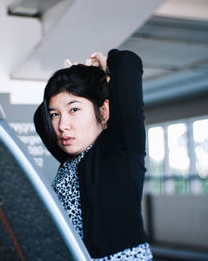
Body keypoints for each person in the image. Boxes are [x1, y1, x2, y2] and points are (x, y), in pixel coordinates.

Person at [34, 49, 152, 260]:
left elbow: (128, 63)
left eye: (74, 110)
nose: (62, 125)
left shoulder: (119, 151)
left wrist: (106, 70)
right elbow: (39, 119)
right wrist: (77, 76)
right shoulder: (71, 159)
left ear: (104, 111)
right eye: (55, 114)